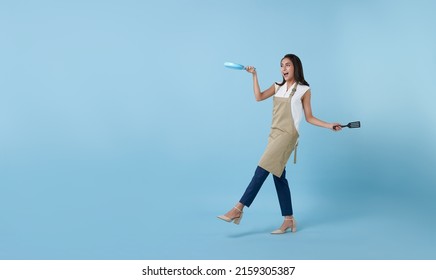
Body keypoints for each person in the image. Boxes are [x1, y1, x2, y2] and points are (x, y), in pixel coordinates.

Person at [217, 54, 342, 234]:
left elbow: (309, 117)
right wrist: (254, 76)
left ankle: (238, 209)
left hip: (288, 135)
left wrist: (329, 125)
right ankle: (289, 220)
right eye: (281, 65)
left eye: (288, 65)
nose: (284, 68)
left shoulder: (304, 90)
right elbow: (258, 97)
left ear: (295, 67)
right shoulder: (278, 87)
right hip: (274, 134)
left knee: (261, 169)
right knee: (279, 178)